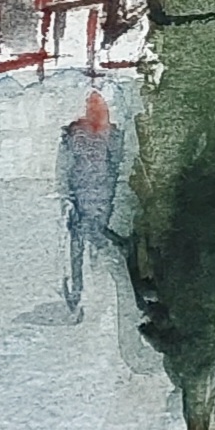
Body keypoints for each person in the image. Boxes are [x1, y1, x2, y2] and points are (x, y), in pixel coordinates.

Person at [59, 90, 125, 312]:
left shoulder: (113, 135)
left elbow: (117, 165)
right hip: (80, 197)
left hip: (103, 197)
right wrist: (65, 196)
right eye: (91, 105)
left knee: (95, 239)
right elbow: (64, 166)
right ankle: (77, 291)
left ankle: (95, 286)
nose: (95, 110)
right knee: (79, 242)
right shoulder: (74, 133)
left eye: (99, 106)